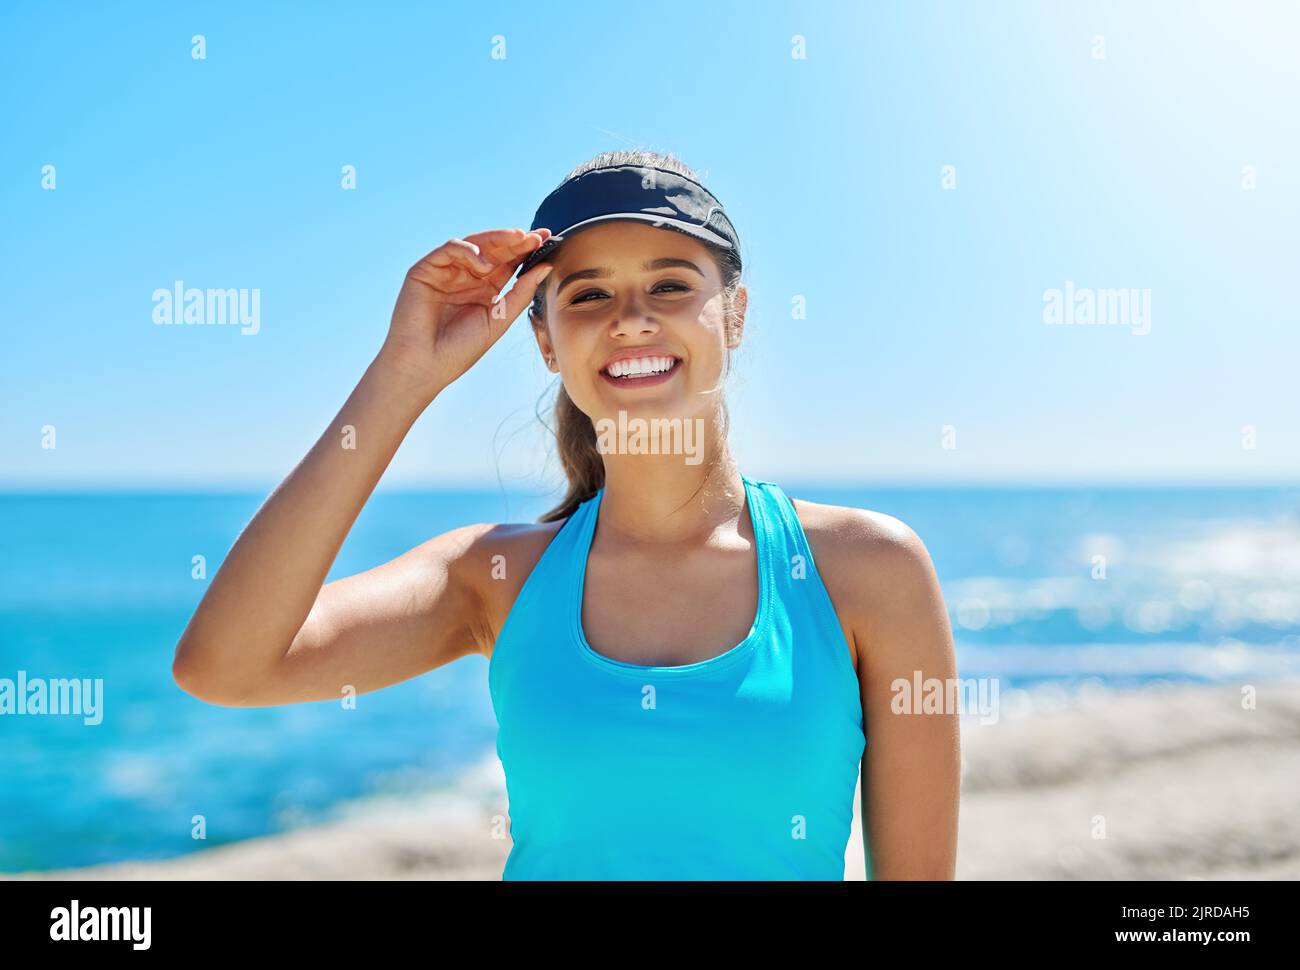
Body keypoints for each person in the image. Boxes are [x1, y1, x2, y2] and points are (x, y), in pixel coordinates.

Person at [172, 149, 961, 880]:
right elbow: (225, 667)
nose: (631, 319)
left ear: (737, 314)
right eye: (588, 295)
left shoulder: (867, 571)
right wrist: (404, 375)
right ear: (545, 341)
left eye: (670, 284)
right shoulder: (494, 579)